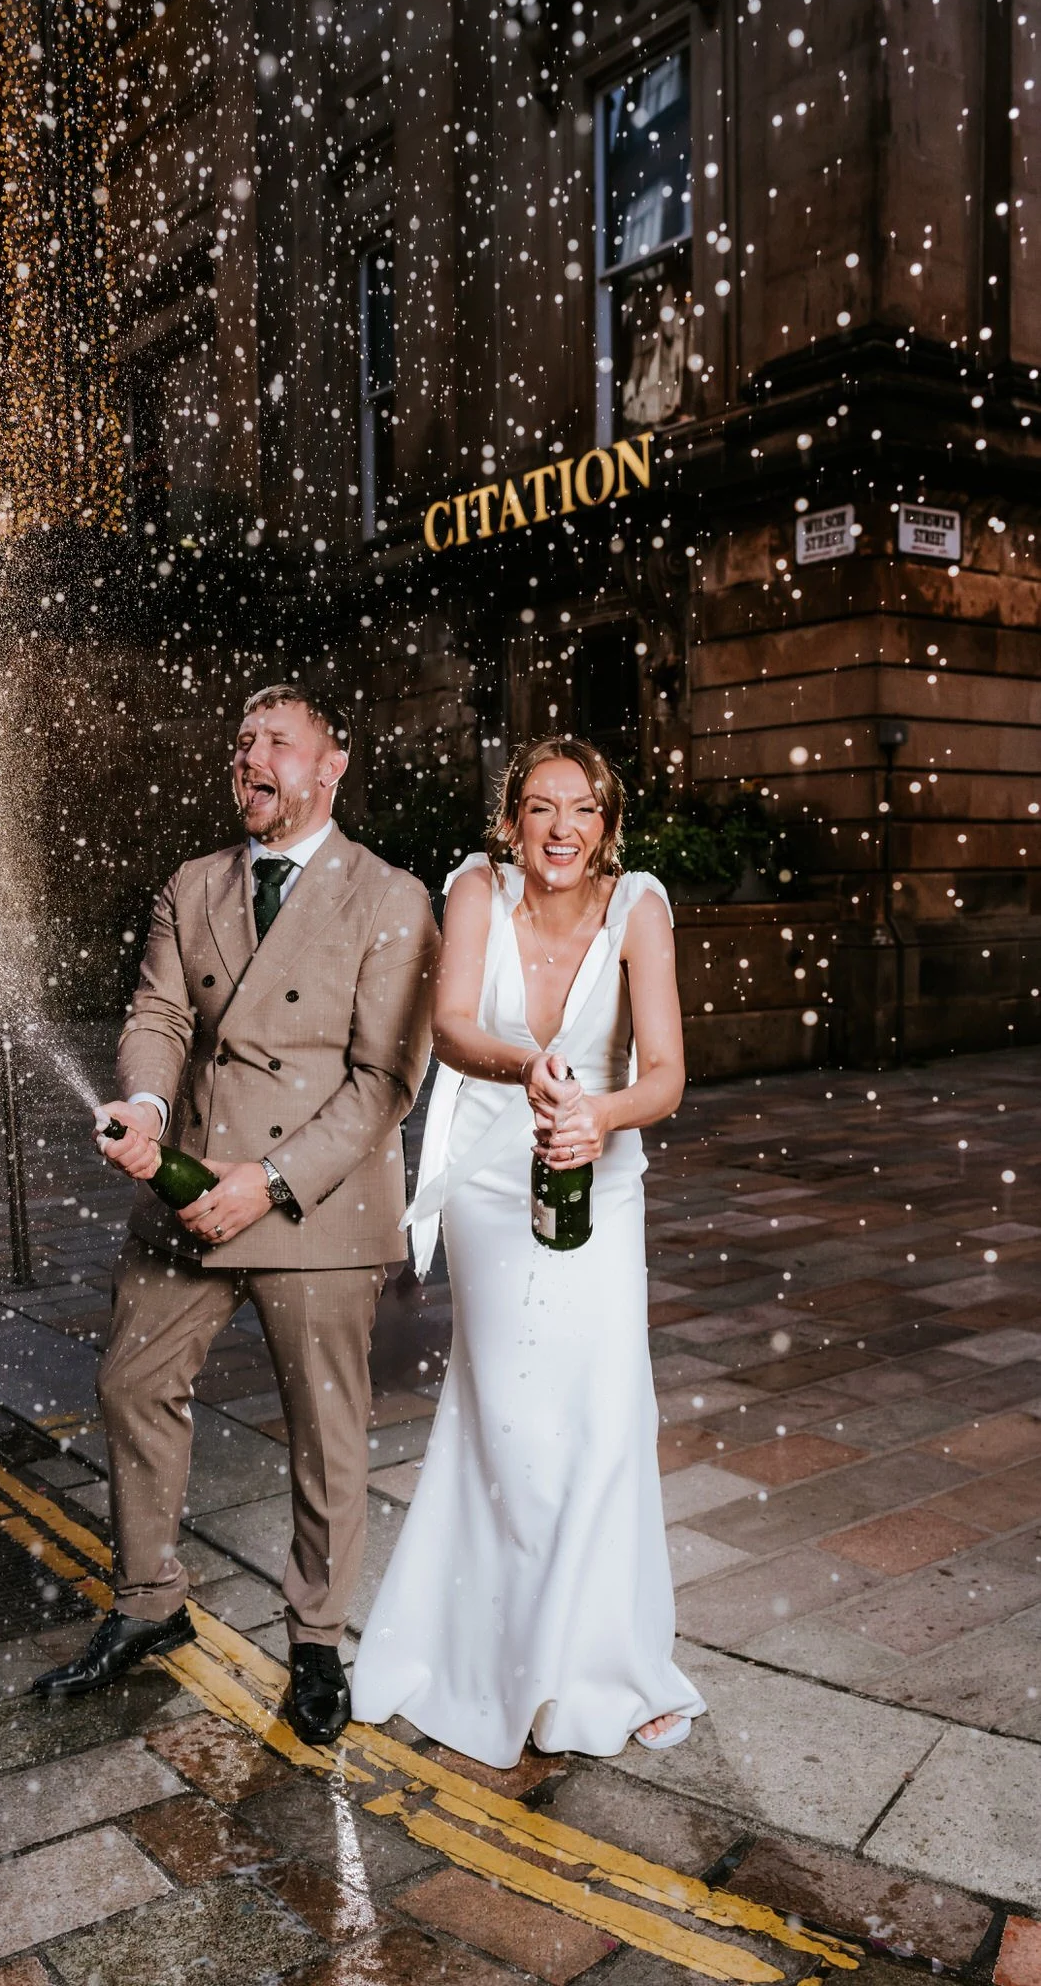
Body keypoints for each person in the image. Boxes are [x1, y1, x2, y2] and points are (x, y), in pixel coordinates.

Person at [35, 683, 439, 1745]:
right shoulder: (191, 881)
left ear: (330, 764)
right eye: (240, 740)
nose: (249, 755)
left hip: (314, 1197)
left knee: (324, 1428)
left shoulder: (391, 896)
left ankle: (314, 1638)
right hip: (188, 1184)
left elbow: (382, 1080)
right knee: (130, 1380)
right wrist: (146, 1104)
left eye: (275, 741)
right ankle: (148, 1602)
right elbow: (160, 1012)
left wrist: (262, 1178)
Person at [350, 735, 705, 1763]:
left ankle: (606, 1660)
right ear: (511, 821)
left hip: (604, 1171)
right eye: (541, 808)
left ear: (608, 824)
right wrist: (528, 1067)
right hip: (494, 1181)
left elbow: (669, 1072)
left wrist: (597, 1115)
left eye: (582, 809)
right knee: (509, 1417)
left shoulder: (639, 905)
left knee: (606, 1410)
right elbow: (453, 1027)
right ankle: (493, 1649)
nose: (561, 829)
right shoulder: (473, 889)